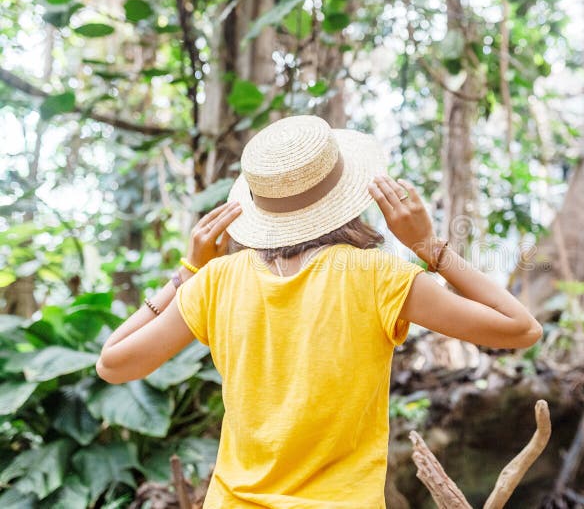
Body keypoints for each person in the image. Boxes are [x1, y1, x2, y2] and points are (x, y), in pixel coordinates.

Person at [96, 115, 542, 508]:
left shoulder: (217, 281)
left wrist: (187, 271)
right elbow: (521, 329)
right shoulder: (378, 276)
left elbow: (112, 364)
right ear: (347, 193)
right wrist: (429, 246)